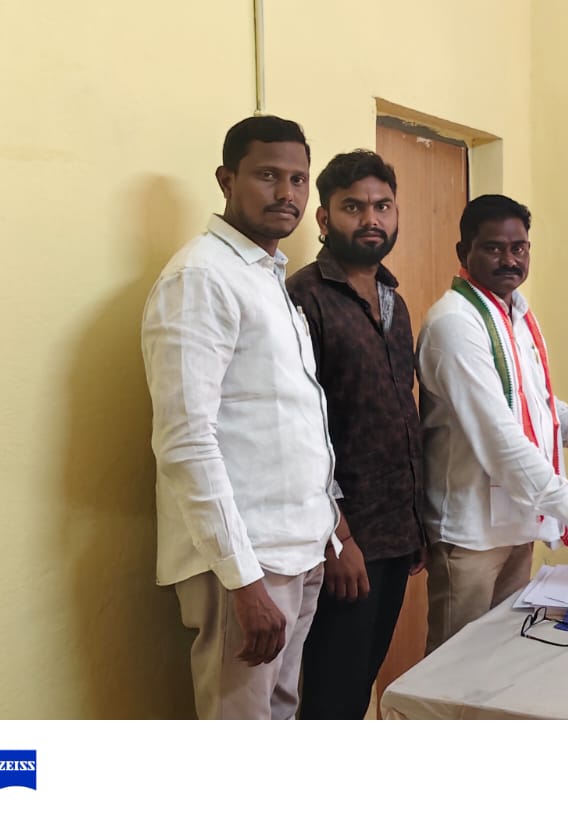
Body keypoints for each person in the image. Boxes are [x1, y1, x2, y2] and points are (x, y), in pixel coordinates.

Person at [141, 115, 343, 719]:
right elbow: (185, 441)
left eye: (298, 179)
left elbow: (289, 420)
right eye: (268, 176)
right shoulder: (200, 277)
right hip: (246, 560)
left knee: (281, 712)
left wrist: (330, 529)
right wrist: (242, 579)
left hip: (297, 547)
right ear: (227, 180)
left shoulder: (265, 276)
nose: (287, 193)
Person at [416, 194, 568, 652]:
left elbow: (532, 404)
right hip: (473, 535)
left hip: (518, 521)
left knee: (501, 656)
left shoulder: (515, 314)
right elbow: (499, 436)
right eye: (493, 248)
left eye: (519, 248)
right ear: (464, 253)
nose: (509, 260)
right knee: (455, 667)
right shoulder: (455, 324)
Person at [285, 150, 426, 719]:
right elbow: (301, 432)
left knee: (360, 687)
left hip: (395, 536)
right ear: (324, 218)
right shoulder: (303, 299)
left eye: (382, 206)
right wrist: (337, 538)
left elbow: (400, 414)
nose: (371, 219)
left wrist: (417, 521)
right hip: (343, 544)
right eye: (353, 207)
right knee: (331, 701)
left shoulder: (396, 302)